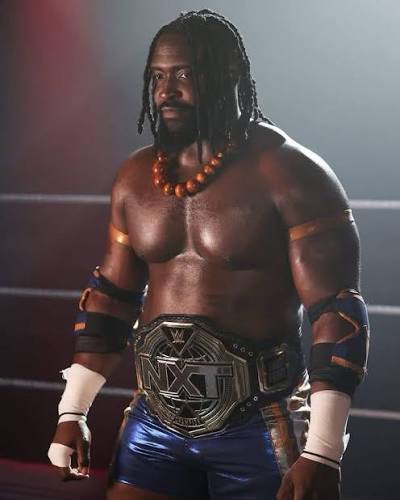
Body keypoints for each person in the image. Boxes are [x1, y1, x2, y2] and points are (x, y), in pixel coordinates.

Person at [48, 9, 369, 500]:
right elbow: (110, 300)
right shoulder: (135, 178)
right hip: (154, 420)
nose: (166, 91)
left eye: (184, 74)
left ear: (229, 75)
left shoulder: (291, 174)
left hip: (260, 424)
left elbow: (337, 313)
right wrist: (73, 410)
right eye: (157, 76)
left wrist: (324, 451)